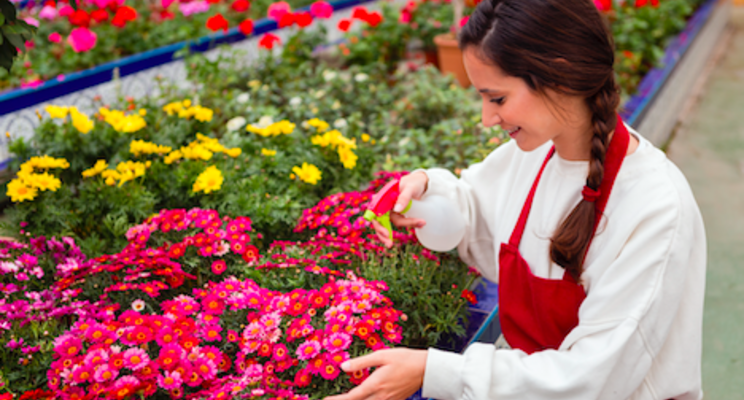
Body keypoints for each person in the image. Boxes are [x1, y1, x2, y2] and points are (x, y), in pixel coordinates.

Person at [324, 0, 707, 399]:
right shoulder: (535, 155)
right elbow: (475, 214)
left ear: (559, 75)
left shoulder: (655, 206)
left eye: (498, 99)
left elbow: (591, 379)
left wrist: (432, 371)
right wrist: (425, 194)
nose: (487, 118)